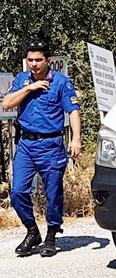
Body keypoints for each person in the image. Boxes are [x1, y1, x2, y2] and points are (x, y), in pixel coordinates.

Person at [2, 42, 82, 257]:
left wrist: (76, 140)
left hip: (51, 145)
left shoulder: (61, 82)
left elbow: (73, 111)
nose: (34, 64)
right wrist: (29, 88)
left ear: (47, 61)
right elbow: (7, 103)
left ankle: (51, 235)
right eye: (31, 60)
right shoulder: (22, 79)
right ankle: (32, 231)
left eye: (38, 60)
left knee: (53, 193)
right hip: (27, 145)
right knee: (18, 191)